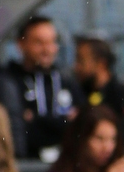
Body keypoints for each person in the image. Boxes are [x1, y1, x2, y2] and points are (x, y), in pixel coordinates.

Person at [6, 16, 84, 159]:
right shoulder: (10, 82)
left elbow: (80, 125)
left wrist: (34, 118)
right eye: (39, 43)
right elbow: (19, 130)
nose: (47, 50)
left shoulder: (66, 82)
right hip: (25, 166)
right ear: (21, 44)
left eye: (52, 42)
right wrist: (61, 121)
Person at [73, 37, 124, 151]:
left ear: (101, 64)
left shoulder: (120, 95)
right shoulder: (79, 93)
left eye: (81, 60)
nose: (76, 67)